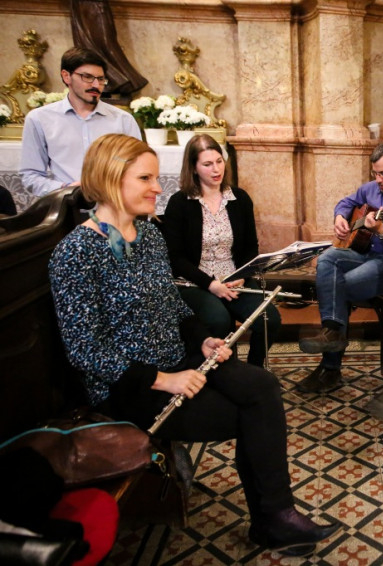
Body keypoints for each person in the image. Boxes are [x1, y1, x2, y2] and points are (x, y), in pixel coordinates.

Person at [48, 134, 340, 555]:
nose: (157, 188)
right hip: (130, 385)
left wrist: (202, 339)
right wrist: (162, 379)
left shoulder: (148, 236)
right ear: (111, 178)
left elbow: (173, 305)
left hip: (178, 358)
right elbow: (84, 349)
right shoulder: (75, 252)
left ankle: (276, 515)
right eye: (145, 178)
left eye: (156, 178)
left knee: (262, 386)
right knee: (247, 416)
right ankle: (271, 520)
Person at [296, 141, 383, 393]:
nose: (378, 179)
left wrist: (382, 232)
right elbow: (346, 202)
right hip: (365, 254)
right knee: (327, 258)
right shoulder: (370, 189)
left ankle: (330, 366)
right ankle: (333, 332)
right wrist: (340, 216)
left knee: (339, 285)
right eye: (375, 173)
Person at [161, 134, 281, 368]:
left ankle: (254, 369)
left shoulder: (239, 198)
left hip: (234, 278)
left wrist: (242, 276)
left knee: (269, 319)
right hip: (196, 281)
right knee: (219, 320)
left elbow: (250, 247)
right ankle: (225, 372)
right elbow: (175, 258)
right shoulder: (180, 203)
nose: (216, 169)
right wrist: (210, 284)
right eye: (207, 164)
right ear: (193, 168)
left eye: (219, 161)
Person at [20, 47, 141, 198]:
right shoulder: (39, 119)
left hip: (112, 204)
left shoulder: (123, 120)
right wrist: (66, 189)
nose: (96, 85)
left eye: (101, 79)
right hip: (64, 204)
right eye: (87, 77)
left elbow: (138, 169)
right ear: (66, 76)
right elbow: (31, 175)